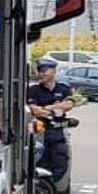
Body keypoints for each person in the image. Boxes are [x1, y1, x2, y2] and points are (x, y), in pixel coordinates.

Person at [26, 58, 73, 187]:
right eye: (40, 71)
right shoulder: (34, 90)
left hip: (57, 134)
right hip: (40, 134)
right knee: (40, 163)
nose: (42, 74)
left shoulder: (63, 88)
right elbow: (35, 111)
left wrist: (47, 108)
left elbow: (68, 104)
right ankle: (42, 189)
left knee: (61, 163)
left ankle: (53, 187)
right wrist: (55, 108)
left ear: (53, 71)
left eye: (45, 71)